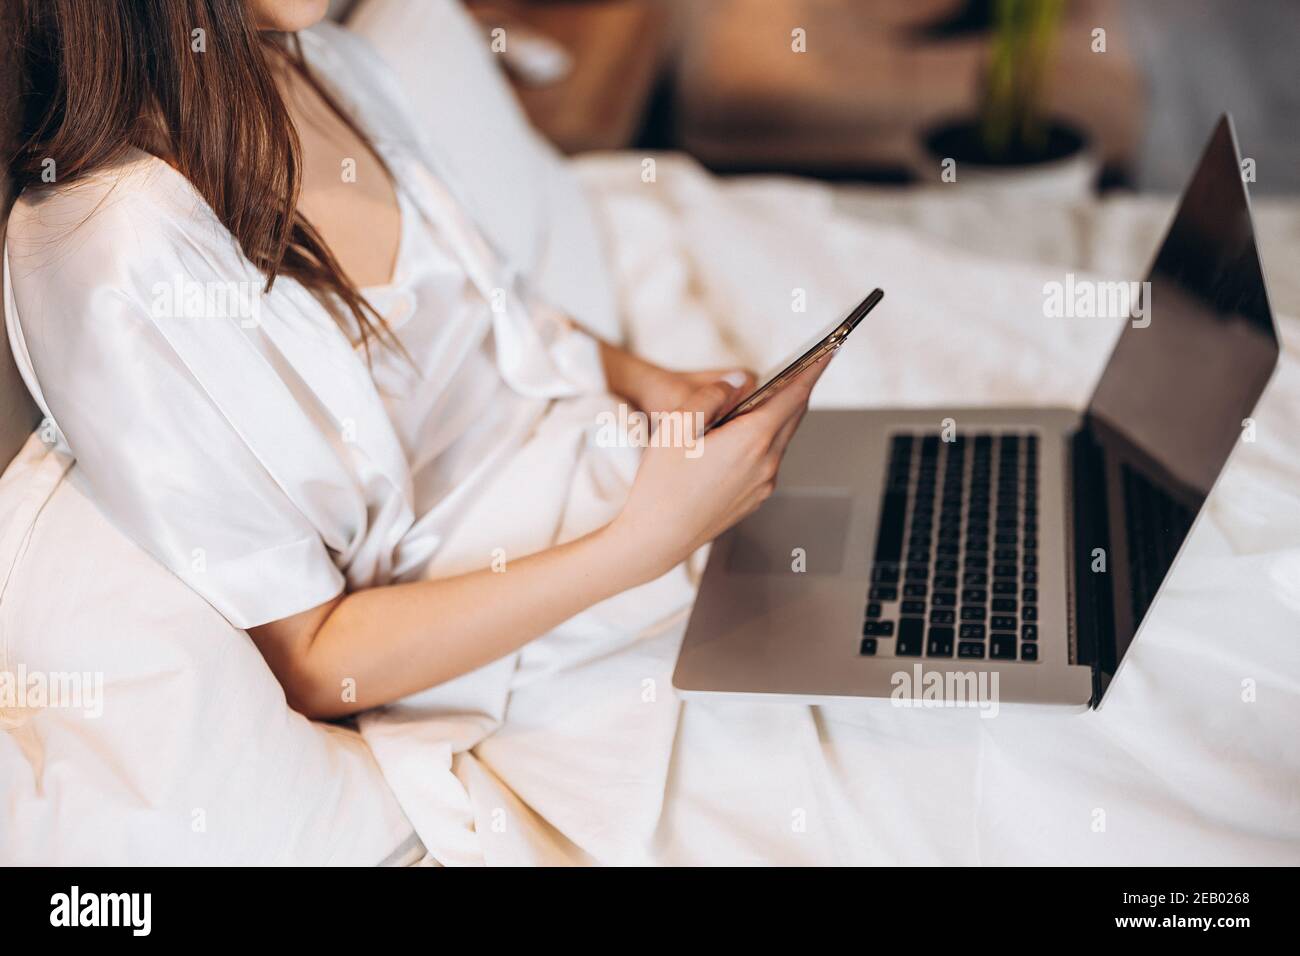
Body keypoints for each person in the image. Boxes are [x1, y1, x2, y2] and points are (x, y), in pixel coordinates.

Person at [4, 0, 826, 718]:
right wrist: (644, 543)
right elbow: (316, 662)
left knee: (900, 571)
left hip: (623, 484)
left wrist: (653, 385)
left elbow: (491, 314)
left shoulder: (322, 63)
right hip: (520, 635)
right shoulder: (112, 249)